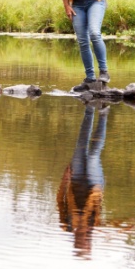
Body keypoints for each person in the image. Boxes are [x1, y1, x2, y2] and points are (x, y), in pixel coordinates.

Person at [57, 103, 109, 258]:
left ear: (76, 242)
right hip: (94, 184)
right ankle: (103, 114)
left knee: (81, 144)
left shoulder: (66, 225)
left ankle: (90, 108)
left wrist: (65, 179)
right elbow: (111, 220)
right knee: (93, 155)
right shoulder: (95, 224)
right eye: (86, 244)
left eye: (81, 244)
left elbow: (60, 200)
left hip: (76, 180)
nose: (84, 240)